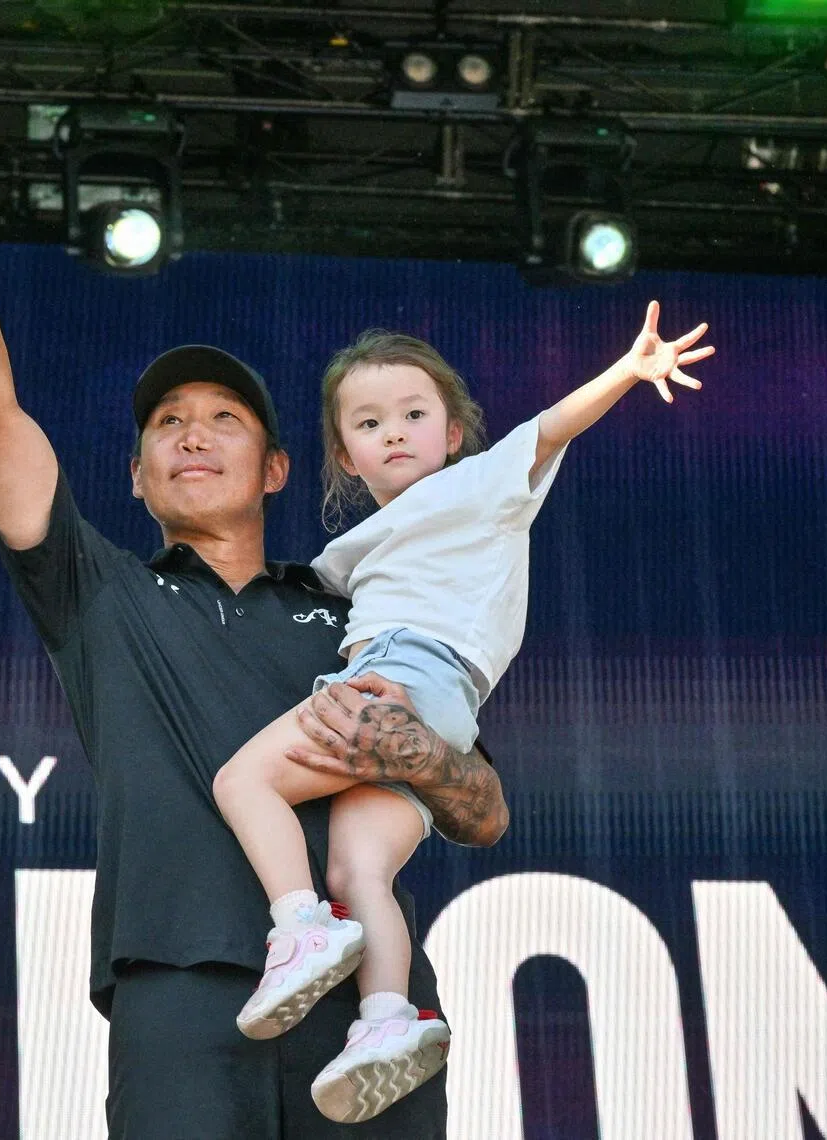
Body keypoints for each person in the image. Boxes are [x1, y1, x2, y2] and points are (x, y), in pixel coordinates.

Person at [0, 38, 510, 1138]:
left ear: (275, 469)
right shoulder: (99, 593)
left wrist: (416, 754)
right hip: (178, 984)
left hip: (371, 1009)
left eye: (224, 420)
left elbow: (483, 810)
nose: (191, 436)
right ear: (136, 475)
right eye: (166, 425)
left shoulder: (363, 610)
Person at [212, 309, 713, 1124]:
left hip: (407, 676)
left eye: (415, 415)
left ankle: (298, 925)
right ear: (346, 454)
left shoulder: (477, 487)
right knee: (359, 871)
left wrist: (628, 371)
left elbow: (550, 430)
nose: (396, 433)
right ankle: (386, 1021)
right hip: (443, 711)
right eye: (370, 423)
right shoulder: (357, 549)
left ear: (454, 432)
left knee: (243, 781)